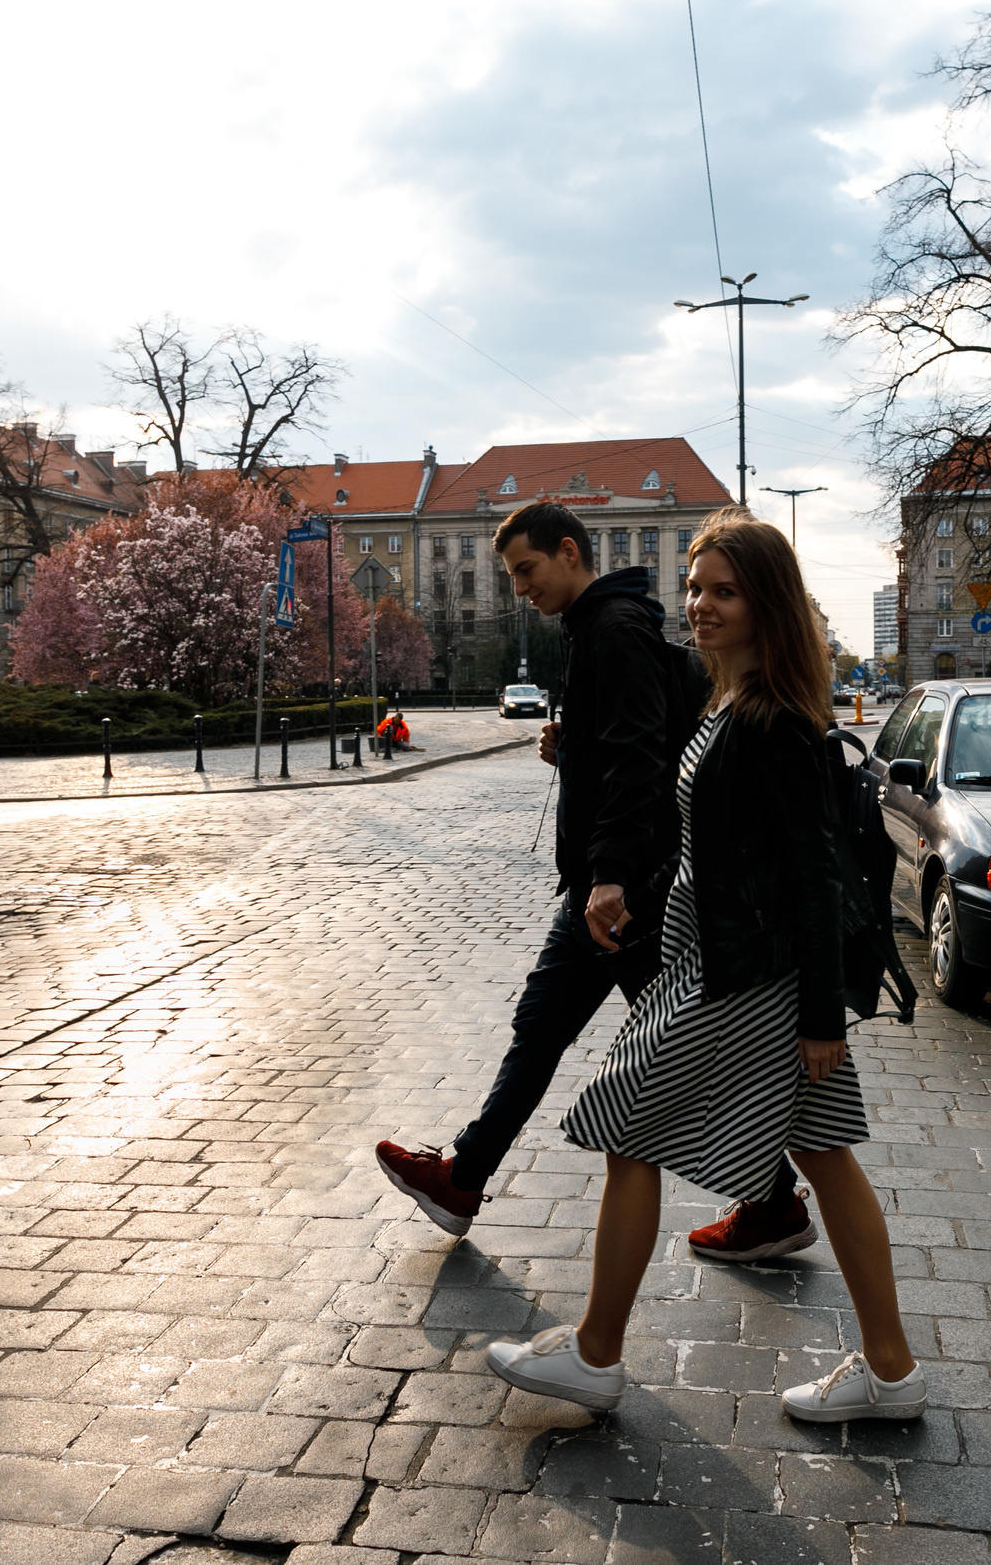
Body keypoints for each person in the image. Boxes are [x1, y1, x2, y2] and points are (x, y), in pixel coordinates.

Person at [485, 508, 921, 1422]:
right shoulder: (730, 699)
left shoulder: (773, 723)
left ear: (767, 604)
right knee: (829, 1161)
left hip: (744, 981)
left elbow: (811, 877)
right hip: (726, 962)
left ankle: (597, 1355)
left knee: (622, 1123)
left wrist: (821, 1022)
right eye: (695, 587)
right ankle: (892, 1373)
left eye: (724, 590)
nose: (701, 603)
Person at [377, 500, 813, 1262]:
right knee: (551, 1026)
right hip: (618, 881)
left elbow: (642, 756)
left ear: (571, 553)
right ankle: (463, 1175)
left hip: (624, 889)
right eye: (512, 574)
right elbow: (629, 741)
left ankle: (772, 1202)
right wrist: (572, 749)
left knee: (630, 1041)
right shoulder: (603, 626)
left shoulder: (610, 631)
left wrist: (610, 875)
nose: (518, 587)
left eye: (527, 570)